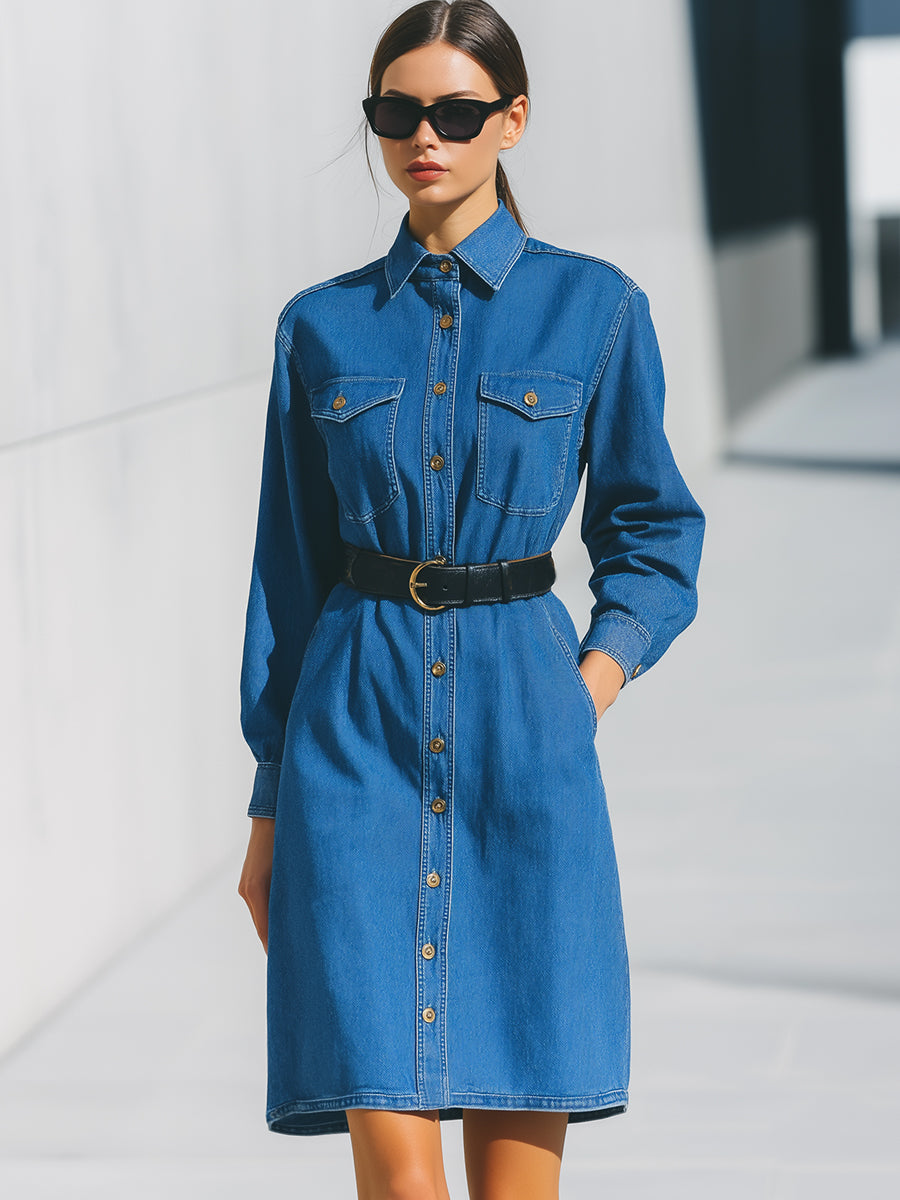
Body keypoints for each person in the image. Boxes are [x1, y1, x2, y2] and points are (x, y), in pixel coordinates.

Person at [237, 2, 705, 1197]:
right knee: (397, 1177)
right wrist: (269, 805)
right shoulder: (322, 328)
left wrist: (582, 688)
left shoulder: (595, 310)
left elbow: (652, 533)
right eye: (398, 113)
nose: (424, 138)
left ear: (514, 119)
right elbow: (287, 580)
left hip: (521, 736)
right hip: (353, 744)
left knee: (516, 1175)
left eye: (454, 112)